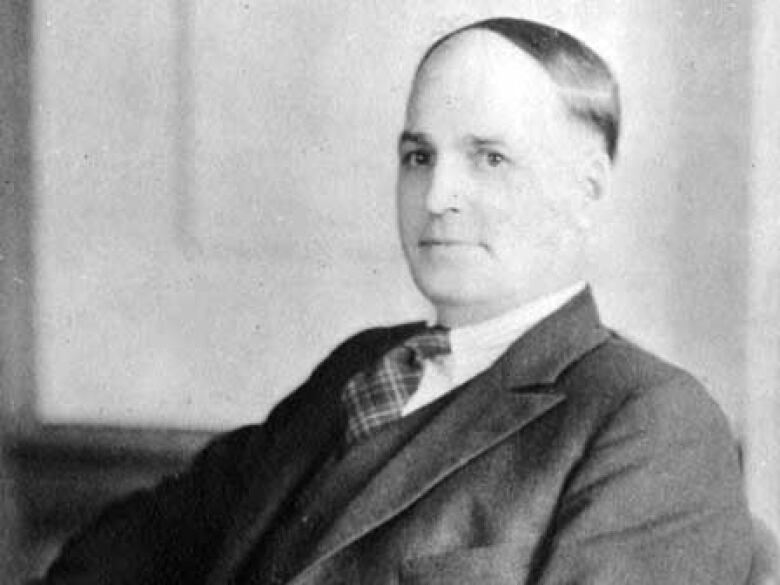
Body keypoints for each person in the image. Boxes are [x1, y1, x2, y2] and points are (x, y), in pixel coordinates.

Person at [37, 17, 753, 584]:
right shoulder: (364, 367)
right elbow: (156, 531)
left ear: (587, 188)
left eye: (489, 158)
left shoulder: (648, 420)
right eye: (419, 156)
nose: (437, 197)